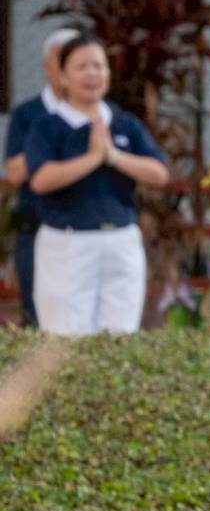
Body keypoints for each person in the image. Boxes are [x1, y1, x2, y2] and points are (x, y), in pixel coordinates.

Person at [22, 37, 169, 337]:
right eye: (82, 67)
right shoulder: (47, 126)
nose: (92, 74)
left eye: (99, 66)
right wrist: (91, 158)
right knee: (65, 339)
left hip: (121, 240)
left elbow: (159, 173)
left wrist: (113, 156)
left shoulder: (125, 124)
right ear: (62, 77)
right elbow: (40, 180)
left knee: (120, 337)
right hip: (67, 244)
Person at [4, 28, 81, 327]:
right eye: (62, 60)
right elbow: (14, 172)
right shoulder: (27, 114)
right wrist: (55, 140)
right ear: (47, 67)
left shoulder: (102, 114)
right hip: (36, 229)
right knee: (36, 318)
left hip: (86, 230)